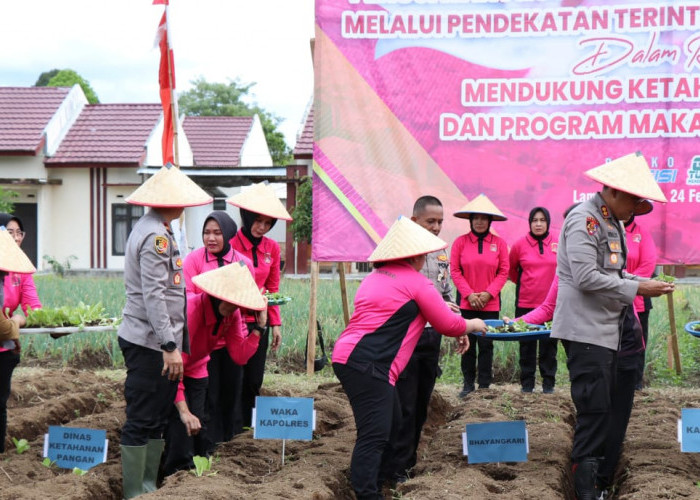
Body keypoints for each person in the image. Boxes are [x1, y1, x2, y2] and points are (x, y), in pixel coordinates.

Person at [332, 216, 487, 500]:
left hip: (349, 357)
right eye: (423, 255)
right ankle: (368, 493)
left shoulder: (375, 278)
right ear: (414, 256)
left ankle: (379, 479)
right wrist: (475, 324)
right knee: (374, 434)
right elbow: (448, 325)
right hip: (370, 364)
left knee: (388, 421)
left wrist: (449, 315)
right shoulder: (416, 283)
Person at [550, 152, 673, 500]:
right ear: (615, 192)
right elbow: (587, 277)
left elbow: (613, 273)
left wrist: (643, 282)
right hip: (586, 333)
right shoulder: (584, 221)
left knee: (605, 410)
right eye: (634, 201)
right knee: (593, 411)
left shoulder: (611, 223)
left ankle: (600, 484)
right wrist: (638, 288)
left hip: (607, 332)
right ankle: (586, 491)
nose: (635, 209)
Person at [117, 164, 212, 499]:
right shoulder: (156, 236)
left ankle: (148, 487)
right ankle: (135, 491)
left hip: (155, 341)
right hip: (149, 342)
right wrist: (170, 344)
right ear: (174, 202)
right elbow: (154, 295)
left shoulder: (159, 230)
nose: (186, 207)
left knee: (157, 417)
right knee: (143, 418)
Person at [162, 258, 267, 476]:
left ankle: (194, 470)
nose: (235, 307)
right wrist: (183, 410)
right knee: (179, 423)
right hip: (170, 367)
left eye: (239, 302)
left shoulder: (232, 314)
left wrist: (258, 328)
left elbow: (239, 355)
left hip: (197, 368)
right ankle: (172, 475)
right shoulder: (190, 310)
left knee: (197, 425)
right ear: (217, 295)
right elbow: (173, 366)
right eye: (231, 301)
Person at [388, 195, 459, 483]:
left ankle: (409, 463)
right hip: (406, 338)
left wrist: (457, 326)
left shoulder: (441, 253)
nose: (436, 226)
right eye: (431, 221)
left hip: (432, 338)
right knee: (403, 405)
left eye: (440, 221)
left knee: (420, 404)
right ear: (414, 220)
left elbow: (447, 293)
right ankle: (394, 470)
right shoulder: (399, 252)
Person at [227, 182, 292, 431]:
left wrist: (275, 324)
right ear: (247, 216)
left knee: (254, 379)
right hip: (233, 322)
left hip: (260, 321)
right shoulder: (230, 245)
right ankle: (230, 427)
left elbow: (272, 288)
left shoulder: (272, 249)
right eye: (257, 221)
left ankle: (247, 426)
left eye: (267, 223)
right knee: (235, 377)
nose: (261, 227)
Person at [450, 194, 509, 396]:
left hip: (490, 305)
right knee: (467, 344)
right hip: (467, 305)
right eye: (476, 217)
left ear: (490, 220)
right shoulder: (460, 242)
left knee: (486, 345)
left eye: (484, 218)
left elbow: (504, 272)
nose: (480, 221)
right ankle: (467, 385)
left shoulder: (499, 244)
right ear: (470, 220)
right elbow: (455, 271)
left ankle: (484, 386)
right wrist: (469, 295)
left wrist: (488, 294)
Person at [509, 207, 558, 393]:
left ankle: (548, 385)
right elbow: (513, 272)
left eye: (542, 220)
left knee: (549, 347)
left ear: (548, 223)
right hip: (526, 304)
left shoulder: (558, 242)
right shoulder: (519, 245)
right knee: (526, 347)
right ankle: (527, 385)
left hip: (552, 305)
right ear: (529, 223)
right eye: (534, 220)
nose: (538, 224)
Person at [0, 224, 38, 454]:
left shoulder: (18, 271)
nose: (15, 238)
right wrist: (14, 324)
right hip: (8, 339)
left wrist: (18, 320)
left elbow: (32, 307)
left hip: (5, 350)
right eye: (9, 232)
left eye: (18, 232)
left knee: (0, 403)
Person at [623, 215, 658, 390]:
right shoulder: (605, 230)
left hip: (638, 299)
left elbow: (648, 264)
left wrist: (626, 286)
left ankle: (636, 384)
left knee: (637, 343)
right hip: (609, 299)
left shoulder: (641, 233)